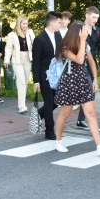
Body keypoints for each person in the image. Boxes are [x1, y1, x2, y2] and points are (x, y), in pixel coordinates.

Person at [53, 21, 100, 155]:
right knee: (65, 114)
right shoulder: (65, 47)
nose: (86, 32)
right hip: (68, 83)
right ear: (77, 32)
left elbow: (91, 62)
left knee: (91, 114)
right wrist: (82, 40)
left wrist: (95, 79)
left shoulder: (84, 44)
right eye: (84, 30)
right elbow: (80, 60)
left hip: (82, 81)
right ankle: (58, 141)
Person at [32, 11, 64, 140]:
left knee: (57, 100)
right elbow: (36, 62)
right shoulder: (39, 39)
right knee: (49, 102)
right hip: (44, 76)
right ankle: (49, 131)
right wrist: (36, 81)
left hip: (57, 76)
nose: (60, 25)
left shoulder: (58, 36)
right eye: (58, 22)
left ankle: (41, 113)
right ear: (52, 23)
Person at [77, 6, 100, 129]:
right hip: (78, 65)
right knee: (85, 94)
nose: (95, 20)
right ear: (86, 15)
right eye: (93, 17)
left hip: (91, 65)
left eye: (97, 18)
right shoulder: (78, 29)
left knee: (90, 92)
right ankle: (42, 113)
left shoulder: (97, 31)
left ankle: (82, 120)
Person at [4, 16, 35, 113]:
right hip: (17, 59)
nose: (25, 25)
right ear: (19, 24)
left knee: (25, 82)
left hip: (28, 59)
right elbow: (8, 48)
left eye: (26, 23)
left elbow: (35, 44)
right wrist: (6, 60)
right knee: (21, 81)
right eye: (23, 24)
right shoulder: (12, 35)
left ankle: (21, 103)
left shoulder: (30, 32)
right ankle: (22, 106)